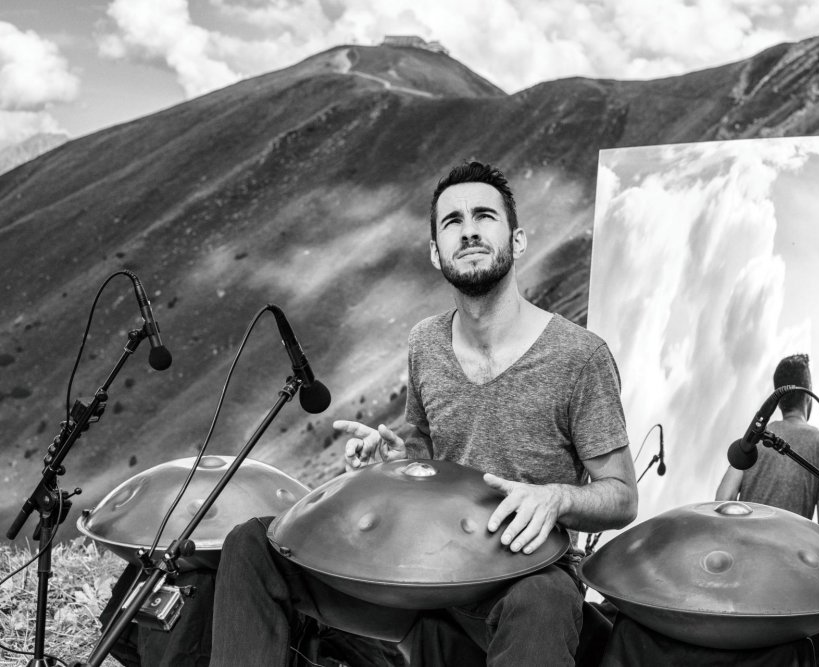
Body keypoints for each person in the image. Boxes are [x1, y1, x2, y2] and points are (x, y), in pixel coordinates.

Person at [208, 161, 639, 667]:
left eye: (484, 216)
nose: (469, 230)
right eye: (453, 221)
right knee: (255, 545)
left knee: (541, 599)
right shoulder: (426, 343)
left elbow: (621, 496)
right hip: (424, 566)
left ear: (518, 240)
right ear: (436, 252)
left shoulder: (579, 356)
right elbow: (429, 458)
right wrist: (396, 466)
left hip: (521, 572)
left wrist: (555, 498)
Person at [715, 353, 819, 532]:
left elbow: (723, 499)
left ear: (778, 401)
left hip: (745, 544)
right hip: (791, 549)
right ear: (808, 394)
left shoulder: (754, 438)